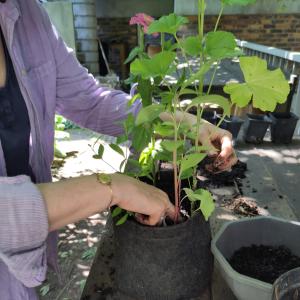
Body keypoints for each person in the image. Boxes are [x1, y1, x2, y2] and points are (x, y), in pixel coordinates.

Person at [0, 0, 237, 299]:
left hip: (23, 269)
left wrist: (185, 123)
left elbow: (89, 99)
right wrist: (111, 187)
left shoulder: (29, 14)